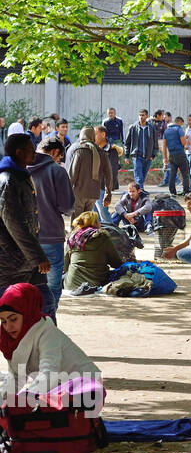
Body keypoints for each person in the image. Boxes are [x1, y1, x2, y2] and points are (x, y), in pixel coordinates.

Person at [0, 282, 100, 404]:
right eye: (3, 321)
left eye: (13, 319)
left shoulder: (47, 333)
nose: (8, 327)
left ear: (28, 313)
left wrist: (23, 401)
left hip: (86, 390)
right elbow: (16, 377)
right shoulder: (10, 339)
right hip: (54, 390)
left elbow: (49, 375)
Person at [0, 134, 53, 316]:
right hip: (11, 265)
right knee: (13, 315)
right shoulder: (8, 181)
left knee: (45, 308)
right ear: (19, 152)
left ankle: (47, 344)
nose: (35, 153)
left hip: (28, 264)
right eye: (31, 150)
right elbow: (16, 226)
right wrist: (38, 256)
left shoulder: (21, 177)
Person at [29, 137, 75, 315]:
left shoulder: (20, 170)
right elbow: (67, 207)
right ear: (55, 152)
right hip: (51, 236)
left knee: (25, 288)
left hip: (23, 239)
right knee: (52, 288)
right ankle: (47, 326)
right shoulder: (57, 171)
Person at [64, 211, 123, 294]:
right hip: (96, 284)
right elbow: (116, 263)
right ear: (94, 223)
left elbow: (65, 265)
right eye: (98, 220)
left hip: (71, 284)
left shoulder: (72, 238)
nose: (100, 222)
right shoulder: (102, 237)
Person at [68, 126, 110, 217]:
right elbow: (109, 175)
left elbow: (72, 175)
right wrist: (108, 193)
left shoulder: (79, 151)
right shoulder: (102, 153)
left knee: (77, 222)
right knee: (87, 221)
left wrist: (67, 192)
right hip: (93, 193)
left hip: (79, 192)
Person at [125, 109, 155, 188]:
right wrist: (126, 156)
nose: (141, 117)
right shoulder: (133, 127)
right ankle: (140, 193)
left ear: (146, 116)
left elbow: (155, 143)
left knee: (143, 176)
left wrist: (153, 155)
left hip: (148, 157)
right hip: (137, 156)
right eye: (140, 115)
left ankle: (139, 190)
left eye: (143, 115)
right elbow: (127, 143)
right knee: (139, 177)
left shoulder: (151, 128)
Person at [163, 112, 191, 194]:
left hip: (171, 155)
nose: (181, 126)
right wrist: (186, 140)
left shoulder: (166, 131)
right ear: (179, 122)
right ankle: (186, 191)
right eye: (181, 124)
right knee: (185, 174)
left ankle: (172, 192)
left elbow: (164, 146)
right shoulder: (179, 129)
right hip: (180, 154)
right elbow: (183, 143)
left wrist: (165, 158)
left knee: (172, 174)